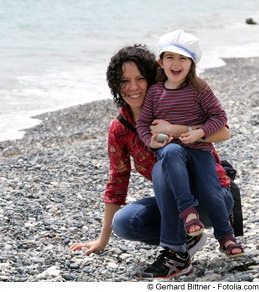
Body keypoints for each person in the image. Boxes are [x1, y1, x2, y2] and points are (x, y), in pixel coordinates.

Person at [70, 44, 234, 279]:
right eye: (125, 81)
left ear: (152, 77)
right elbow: (118, 180)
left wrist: (177, 130)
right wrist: (102, 239)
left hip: (212, 198)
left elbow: (224, 132)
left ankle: (176, 254)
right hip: (174, 204)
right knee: (125, 223)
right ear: (116, 84)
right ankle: (189, 238)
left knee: (164, 163)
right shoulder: (120, 127)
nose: (133, 88)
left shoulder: (172, 103)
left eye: (140, 79)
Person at [136, 30, 243, 267]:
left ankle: (226, 236)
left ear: (192, 63)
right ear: (160, 62)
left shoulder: (199, 89)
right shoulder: (155, 92)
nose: (176, 63)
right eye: (170, 57)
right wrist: (150, 141)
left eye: (183, 58)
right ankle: (188, 211)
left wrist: (199, 132)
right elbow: (143, 123)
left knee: (211, 189)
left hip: (199, 149)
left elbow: (219, 116)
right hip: (170, 149)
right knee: (172, 152)